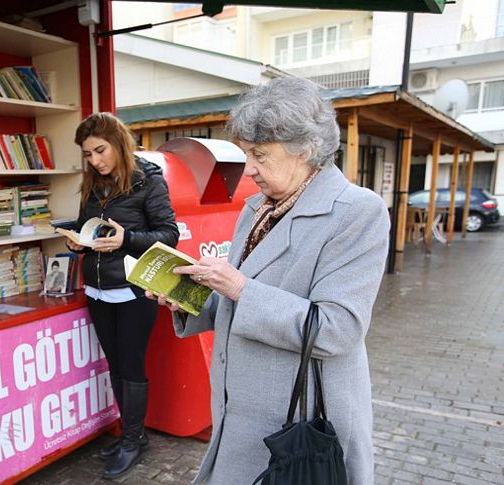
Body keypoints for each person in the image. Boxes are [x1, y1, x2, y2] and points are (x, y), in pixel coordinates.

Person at [149, 78, 389, 484]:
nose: (250, 169)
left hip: (299, 424)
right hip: (240, 414)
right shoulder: (256, 207)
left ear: (306, 149)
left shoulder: (357, 211)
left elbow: (337, 329)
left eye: (260, 155)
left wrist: (240, 287)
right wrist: (186, 298)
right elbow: (236, 300)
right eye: (246, 154)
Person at [66, 112, 179, 479]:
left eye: (100, 150)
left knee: (130, 366)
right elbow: (90, 227)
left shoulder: (148, 181)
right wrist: (79, 242)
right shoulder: (93, 185)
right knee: (115, 365)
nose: (95, 160)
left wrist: (126, 239)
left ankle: (133, 440)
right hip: (98, 290)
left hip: (133, 291)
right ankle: (131, 434)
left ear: (118, 143)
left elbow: (169, 233)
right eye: (88, 154)